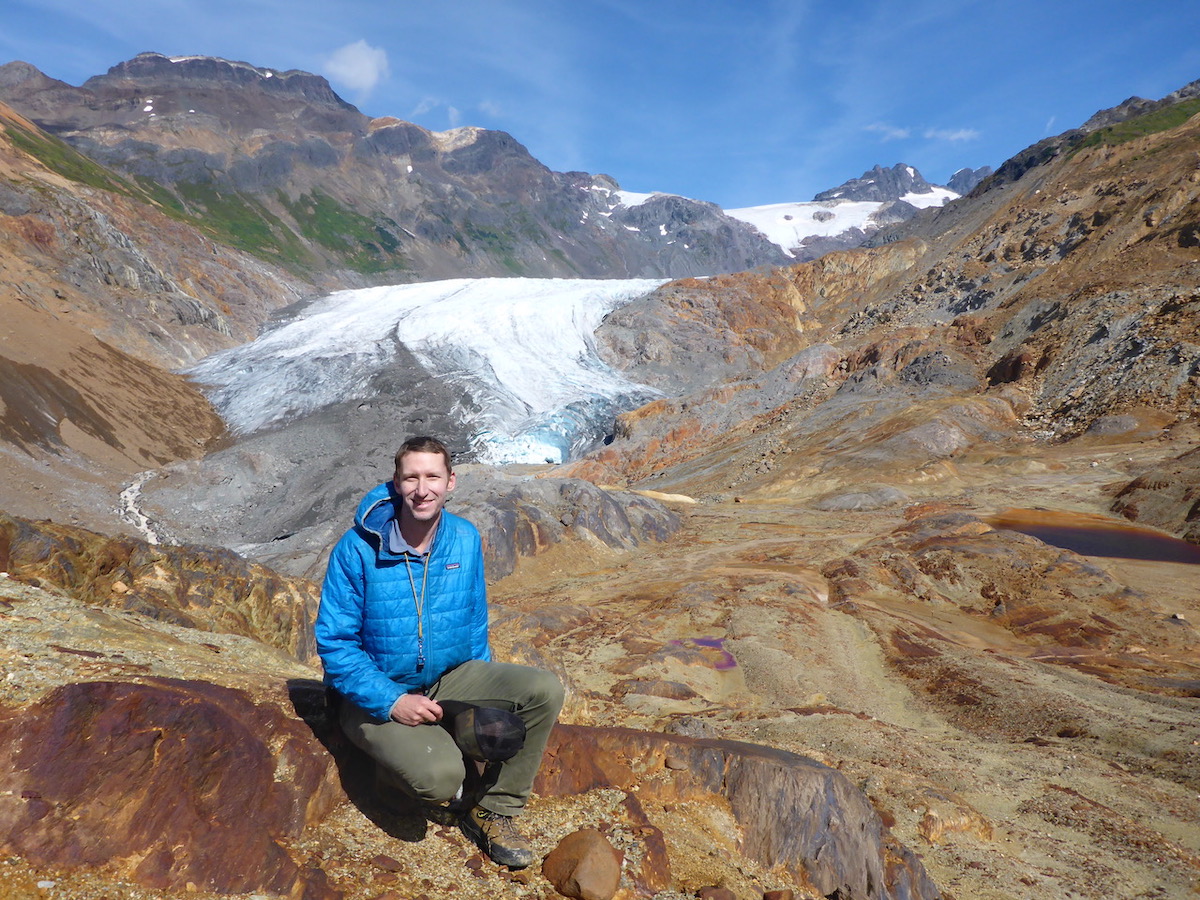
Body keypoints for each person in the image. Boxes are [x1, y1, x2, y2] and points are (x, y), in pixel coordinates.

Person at [315, 436, 564, 868]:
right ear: (396, 483)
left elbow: (473, 622)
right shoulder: (357, 548)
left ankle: (495, 810)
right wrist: (392, 700)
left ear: (450, 482)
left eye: (432, 476)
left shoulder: (464, 539)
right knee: (441, 778)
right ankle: (388, 777)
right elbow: (335, 645)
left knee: (543, 690)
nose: (422, 488)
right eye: (411, 477)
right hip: (374, 693)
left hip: (448, 677)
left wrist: (479, 713)